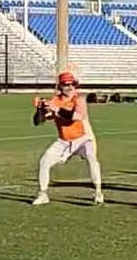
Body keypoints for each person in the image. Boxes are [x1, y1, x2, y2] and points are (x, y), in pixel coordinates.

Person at [32, 71, 104, 206]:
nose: (70, 87)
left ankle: (98, 191)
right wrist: (40, 109)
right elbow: (38, 122)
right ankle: (43, 194)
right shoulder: (55, 100)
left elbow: (77, 117)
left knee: (92, 158)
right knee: (44, 161)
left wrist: (56, 109)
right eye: (66, 84)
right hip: (64, 141)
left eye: (72, 84)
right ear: (60, 86)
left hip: (83, 139)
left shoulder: (78, 99)